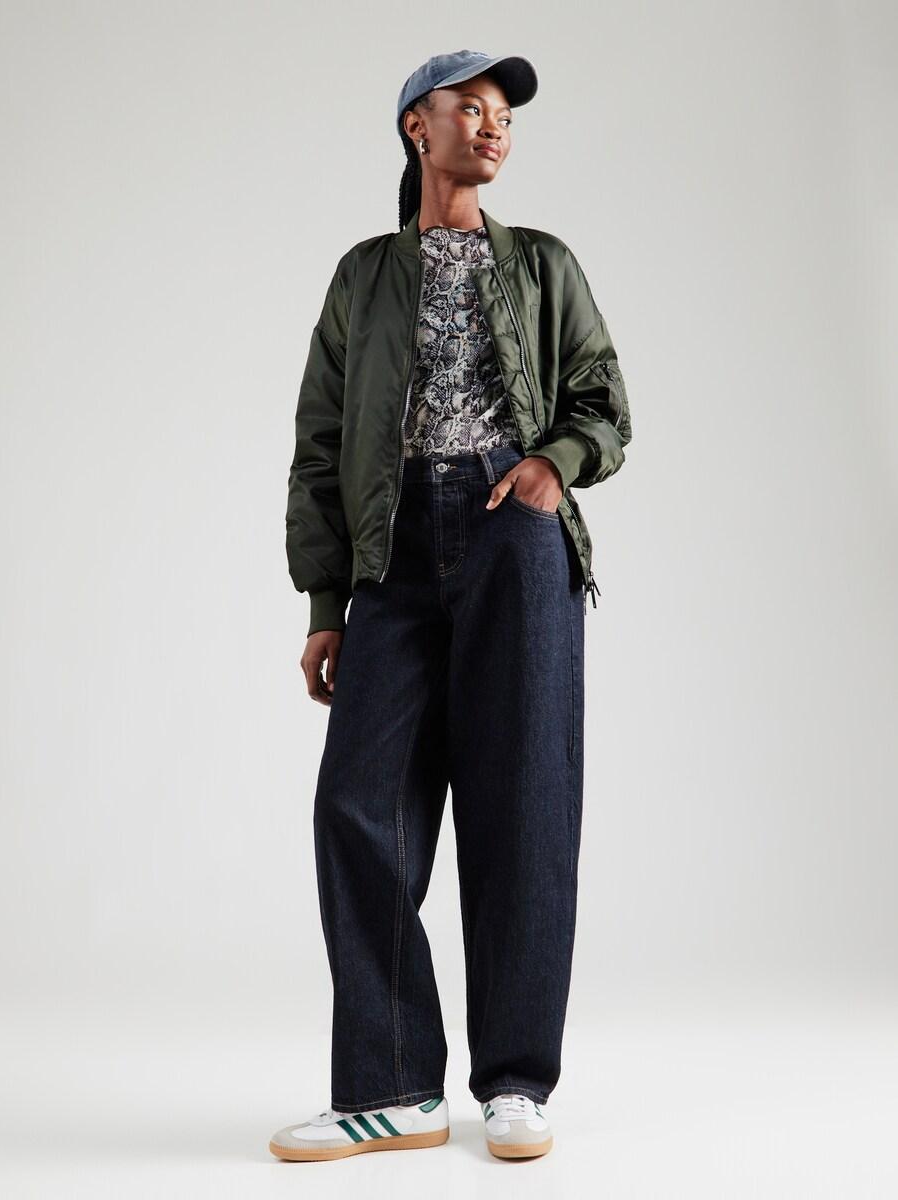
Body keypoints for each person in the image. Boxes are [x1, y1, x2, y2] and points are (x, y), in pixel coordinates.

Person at [270, 49, 632, 1164]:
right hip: (390, 553)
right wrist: (326, 600)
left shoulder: (544, 263)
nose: (492, 127)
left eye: (503, 115)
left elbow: (603, 400)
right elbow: (321, 444)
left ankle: (515, 1082)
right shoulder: (364, 275)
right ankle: (392, 1087)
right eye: (468, 109)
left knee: (524, 800)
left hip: (514, 534)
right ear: (414, 128)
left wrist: (554, 464)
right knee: (356, 802)